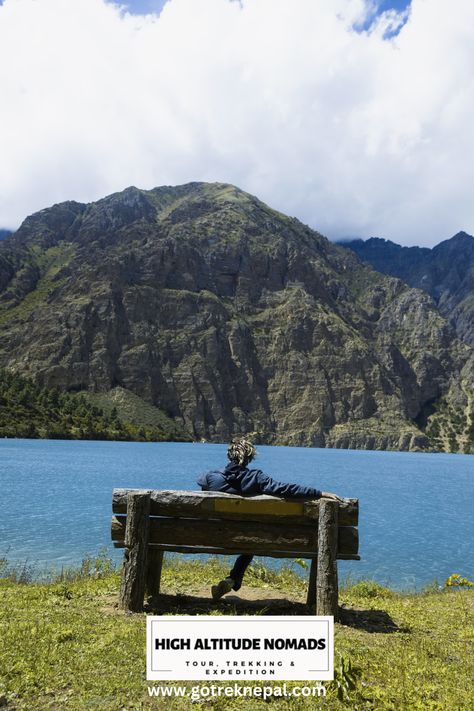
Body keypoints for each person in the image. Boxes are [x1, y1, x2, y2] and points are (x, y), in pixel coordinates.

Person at [197, 437, 342, 600]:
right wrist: (318, 493)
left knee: (248, 538)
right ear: (249, 458)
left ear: (229, 456)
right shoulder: (256, 478)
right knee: (251, 539)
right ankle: (233, 579)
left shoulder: (212, 477)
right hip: (248, 537)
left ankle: (233, 579)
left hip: (213, 535)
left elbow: (202, 487)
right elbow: (284, 489)